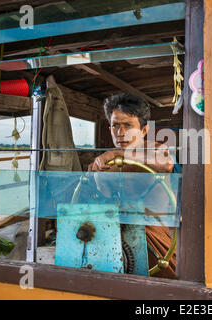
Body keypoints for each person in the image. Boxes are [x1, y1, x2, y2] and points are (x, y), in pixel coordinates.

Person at [88, 93, 178, 278]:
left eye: (128, 125)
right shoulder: (105, 162)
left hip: (156, 242)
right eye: (115, 126)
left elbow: (165, 164)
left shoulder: (156, 151)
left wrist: (118, 155)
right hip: (112, 239)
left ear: (143, 130)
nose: (120, 133)